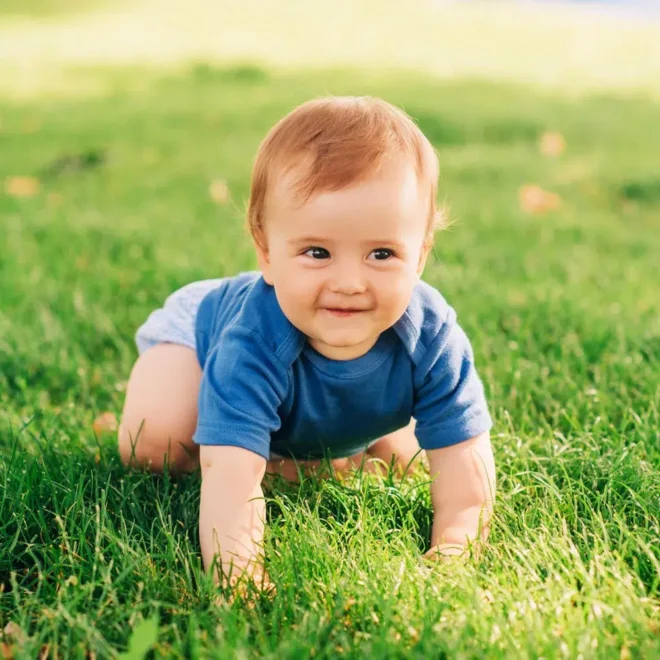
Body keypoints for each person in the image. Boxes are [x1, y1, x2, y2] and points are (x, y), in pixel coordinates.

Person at [118, 96, 496, 592]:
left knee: (407, 459)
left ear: (421, 255)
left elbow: (465, 465)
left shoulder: (431, 336)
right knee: (155, 445)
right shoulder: (251, 340)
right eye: (317, 252)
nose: (349, 282)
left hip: (318, 376)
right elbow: (228, 477)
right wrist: (240, 576)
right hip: (200, 338)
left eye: (382, 253)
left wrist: (453, 550)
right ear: (266, 252)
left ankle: (321, 452)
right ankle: (274, 446)